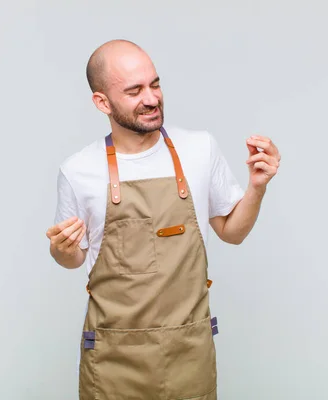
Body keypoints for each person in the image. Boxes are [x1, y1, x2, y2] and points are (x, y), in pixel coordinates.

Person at [46, 39, 281, 399]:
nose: (152, 98)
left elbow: (232, 232)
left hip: (189, 353)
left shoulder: (199, 149)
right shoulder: (79, 170)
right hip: (113, 360)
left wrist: (257, 187)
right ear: (102, 102)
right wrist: (61, 250)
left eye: (155, 84)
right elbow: (73, 257)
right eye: (134, 90)